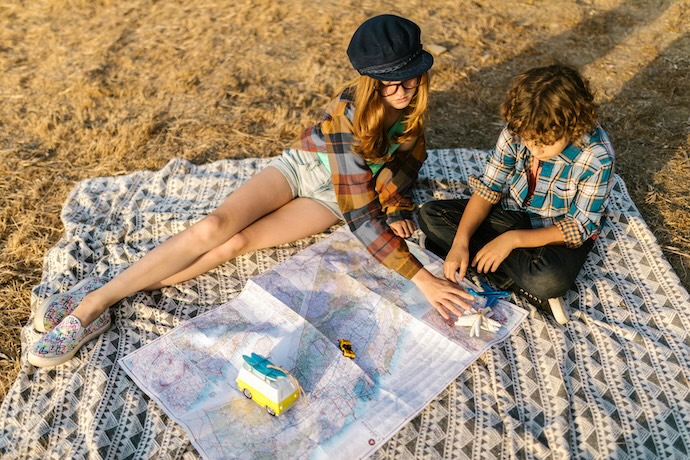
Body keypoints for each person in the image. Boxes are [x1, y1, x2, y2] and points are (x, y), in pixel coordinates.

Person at [28, 14, 474, 368]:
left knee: (235, 245)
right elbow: (360, 214)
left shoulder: (413, 112)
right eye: (386, 82)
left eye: (408, 78)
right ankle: (92, 306)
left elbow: (399, 169)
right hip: (306, 167)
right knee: (213, 227)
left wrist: (396, 204)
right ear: (367, 79)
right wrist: (420, 278)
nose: (398, 91)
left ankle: (110, 293)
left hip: (327, 200)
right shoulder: (349, 109)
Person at [418, 64, 615, 325]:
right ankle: (510, 275)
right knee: (430, 215)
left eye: (544, 144)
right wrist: (461, 242)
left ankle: (519, 279)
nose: (534, 149)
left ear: (574, 126)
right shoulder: (518, 130)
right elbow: (489, 187)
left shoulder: (597, 158)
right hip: (512, 214)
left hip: (554, 234)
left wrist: (511, 240)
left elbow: (579, 227)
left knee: (548, 279)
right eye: (529, 140)